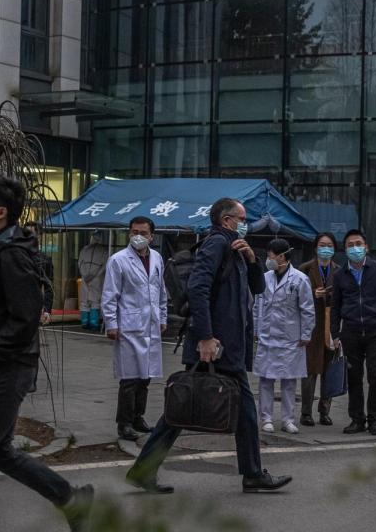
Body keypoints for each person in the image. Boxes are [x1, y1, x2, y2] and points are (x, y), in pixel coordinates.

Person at [0, 176, 92, 532]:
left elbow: (26, 314)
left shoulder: (11, 252)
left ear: (0, 212)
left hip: (6, 365)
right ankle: (70, 499)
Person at [125, 197, 292, 494]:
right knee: (188, 406)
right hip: (215, 344)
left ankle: (250, 473)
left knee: (194, 406)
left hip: (229, 344)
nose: (246, 224)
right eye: (242, 219)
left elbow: (258, 288)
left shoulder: (237, 248)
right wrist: (205, 337)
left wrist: (252, 259)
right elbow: (198, 289)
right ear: (227, 220)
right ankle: (252, 473)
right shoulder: (216, 244)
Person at [101, 216, 168, 442]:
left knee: (145, 377)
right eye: (134, 232)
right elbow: (110, 295)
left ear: (151, 236)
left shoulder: (157, 258)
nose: (137, 236)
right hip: (128, 326)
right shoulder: (118, 260)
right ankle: (125, 423)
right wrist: (111, 323)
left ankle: (138, 417)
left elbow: (161, 291)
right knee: (129, 378)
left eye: (143, 233)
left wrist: (163, 317)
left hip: (151, 323)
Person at [330, 229, 376, 436]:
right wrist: (335, 333)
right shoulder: (340, 275)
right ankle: (357, 419)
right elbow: (335, 306)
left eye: (358, 244)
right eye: (350, 245)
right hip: (351, 331)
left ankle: (374, 420)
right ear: (345, 250)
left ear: (366, 247)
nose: (355, 248)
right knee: (354, 376)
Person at [253, 238, 315, 435]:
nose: (268, 259)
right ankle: (266, 418)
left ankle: (288, 419)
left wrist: (306, 333)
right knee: (266, 380)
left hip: (291, 338)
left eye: (270, 255)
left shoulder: (299, 279)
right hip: (267, 336)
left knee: (289, 381)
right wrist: (256, 330)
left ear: (281, 257)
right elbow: (257, 306)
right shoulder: (265, 278)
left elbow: (307, 309)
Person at [298, 232, 340, 427]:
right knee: (310, 370)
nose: (326, 249)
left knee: (329, 369)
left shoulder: (338, 271)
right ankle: (306, 412)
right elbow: (297, 297)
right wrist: (312, 294)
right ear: (315, 248)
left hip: (331, 325)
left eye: (329, 245)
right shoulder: (305, 269)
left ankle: (325, 411)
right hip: (312, 326)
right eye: (322, 245)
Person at [78, 232, 108, 330]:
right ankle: (93, 322)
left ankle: (85, 321)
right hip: (96, 279)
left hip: (86, 277)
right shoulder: (104, 251)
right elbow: (105, 265)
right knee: (95, 300)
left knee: (85, 300)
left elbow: (80, 263)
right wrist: (96, 275)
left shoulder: (85, 249)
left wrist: (84, 274)